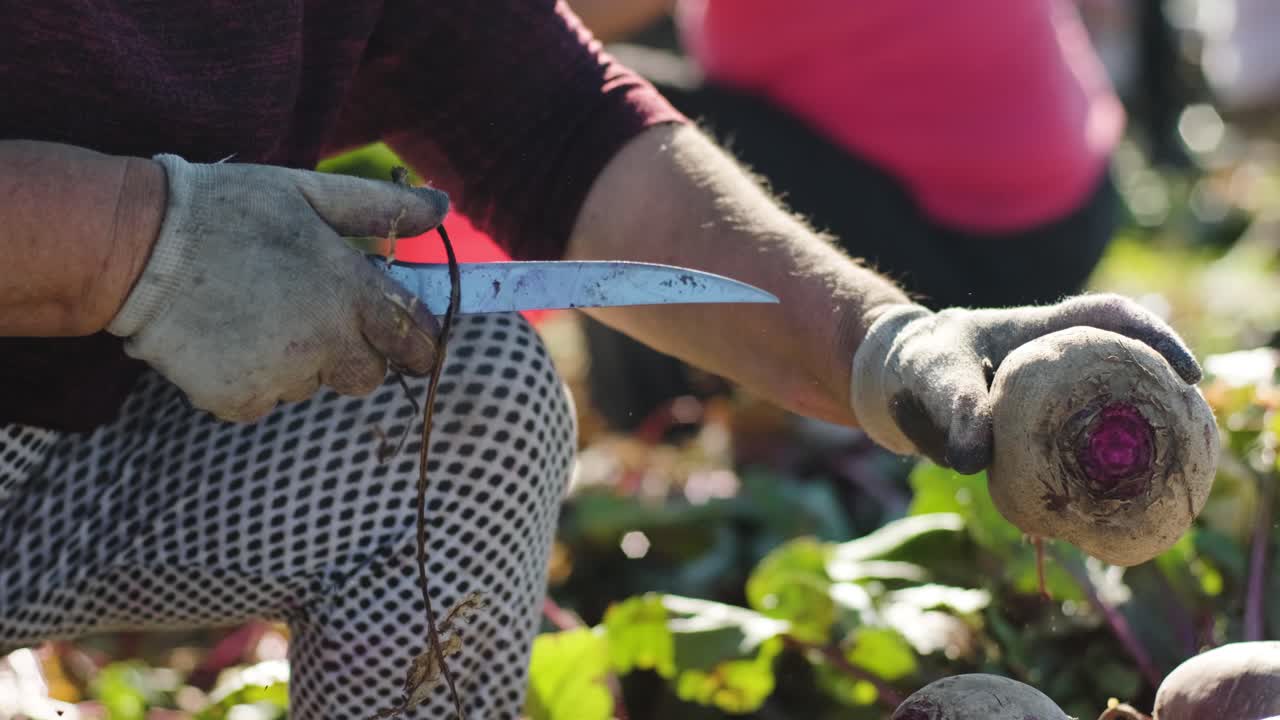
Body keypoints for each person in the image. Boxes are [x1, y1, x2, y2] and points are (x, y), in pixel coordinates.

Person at [0, 1, 1201, 718]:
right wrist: (130, 241)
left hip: (59, 473)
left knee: (473, 399)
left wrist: (874, 338)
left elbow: (558, 127)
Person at [570, 0, 1135, 431]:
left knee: (587, 104)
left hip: (964, 241)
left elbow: (544, 33)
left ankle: (652, 417)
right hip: (1072, 210)